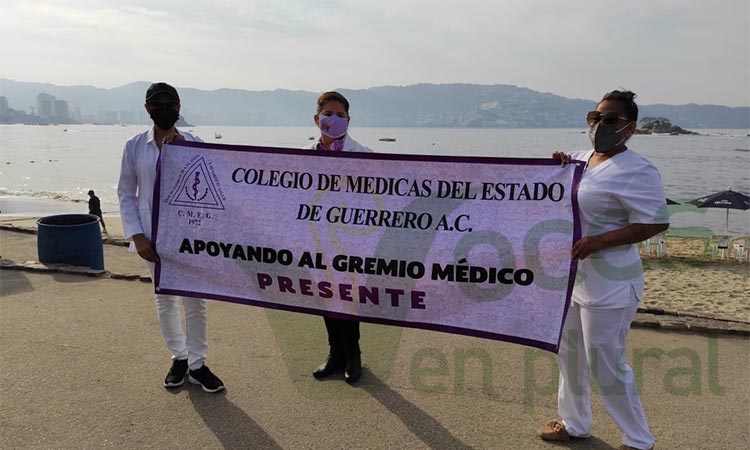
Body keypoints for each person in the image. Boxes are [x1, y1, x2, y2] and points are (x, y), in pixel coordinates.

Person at [537, 90, 668, 450]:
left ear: (630, 128)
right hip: (572, 279)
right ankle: (574, 423)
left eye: (611, 119)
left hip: (611, 283)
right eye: (595, 117)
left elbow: (655, 224)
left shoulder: (638, 169)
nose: (600, 125)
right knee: (569, 354)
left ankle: (639, 439)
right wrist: (554, 168)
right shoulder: (578, 159)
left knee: (606, 363)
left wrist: (600, 241)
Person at [117, 82, 224, 393]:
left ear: (179, 108)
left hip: (190, 237)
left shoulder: (195, 142)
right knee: (164, 300)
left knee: (196, 301)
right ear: (149, 109)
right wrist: (136, 236)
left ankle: (198, 364)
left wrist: (182, 152)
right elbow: (126, 193)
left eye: (171, 104)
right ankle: (178, 357)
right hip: (151, 237)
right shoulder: (134, 146)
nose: (165, 109)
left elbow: (212, 185)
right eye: (158, 104)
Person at [304, 91, 372, 384]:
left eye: (340, 115)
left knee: (348, 296)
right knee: (326, 296)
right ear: (317, 118)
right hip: (316, 238)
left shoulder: (364, 155)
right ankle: (335, 353)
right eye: (328, 114)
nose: (334, 120)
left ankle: (353, 354)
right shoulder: (301, 156)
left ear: (348, 120)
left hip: (350, 239)